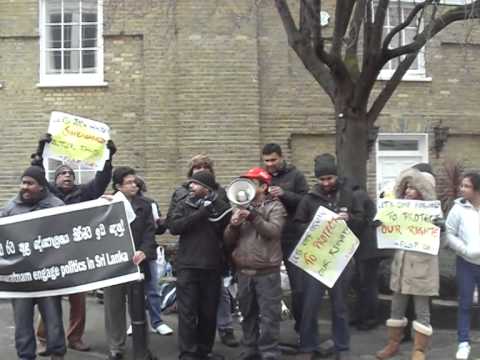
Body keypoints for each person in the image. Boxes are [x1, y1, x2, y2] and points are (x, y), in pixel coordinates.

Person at [31, 133, 116, 353]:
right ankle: (43, 338)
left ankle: (75, 337)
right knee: (50, 297)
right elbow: (36, 174)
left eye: (70, 173)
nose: (67, 176)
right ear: (55, 179)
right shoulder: (48, 194)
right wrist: (41, 150)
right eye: (62, 173)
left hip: (78, 254)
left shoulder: (84, 193)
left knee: (78, 299)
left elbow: (101, 180)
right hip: (53, 254)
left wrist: (108, 157)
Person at [294, 154, 363, 360]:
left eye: (329, 178)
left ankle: (342, 347)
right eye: (322, 180)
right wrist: (315, 226)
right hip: (315, 260)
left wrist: (349, 219)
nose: (326, 183)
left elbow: (362, 222)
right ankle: (308, 346)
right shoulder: (309, 199)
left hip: (340, 260)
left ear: (336, 176)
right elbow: (297, 224)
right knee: (310, 305)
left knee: (340, 306)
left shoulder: (349, 196)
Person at [166, 155, 239, 348]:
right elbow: (174, 226)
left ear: (206, 188)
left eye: (195, 185)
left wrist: (215, 203)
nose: (191, 187)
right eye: (191, 183)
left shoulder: (220, 203)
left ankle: (205, 350)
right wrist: (201, 214)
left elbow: (227, 227)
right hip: (188, 264)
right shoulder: (183, 203)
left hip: (212, 264)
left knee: (208, 312)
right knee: (188, 312)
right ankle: (188, 352)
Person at [0, 166, 66, 360]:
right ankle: (25, 356)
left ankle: (57, 353)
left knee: (53, 319)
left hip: (47, 276)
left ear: (41, 186)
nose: (24, 187)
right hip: (20, 277)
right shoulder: (10, 207)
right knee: (22, 322)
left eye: (30, 183)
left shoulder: (56, 206)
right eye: (23, 182)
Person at [376, 168, 440, 360]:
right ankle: (393, 344)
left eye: (413, 187)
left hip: (422, 270)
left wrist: (441, 228)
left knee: (422, 312)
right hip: (401, 269)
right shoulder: (398, 209)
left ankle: (419, 350)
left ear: (423, 189)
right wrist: (381, 226)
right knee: (396, 308)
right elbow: (390, 235)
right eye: (407, 187)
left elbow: (441, 243)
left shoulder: (433, 212)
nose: (408, 191)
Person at [224, 167, 287, 360]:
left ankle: (269, 352)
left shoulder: (275, 207)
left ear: (264, 186)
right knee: (247, 313)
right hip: (244, 271)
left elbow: (273, 231)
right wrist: (233, 225)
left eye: (253, 182)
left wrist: (252, 216)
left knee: (269, 316)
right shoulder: (239, 207)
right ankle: (250, 348)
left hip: (266, 271)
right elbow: (227, 240)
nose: (248, 185)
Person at [103, 166, 158, 360]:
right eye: (129, 182)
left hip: (137, 264)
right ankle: (116, 347)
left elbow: (150, 233)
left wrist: (144, 250)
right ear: (118, 186)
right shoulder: (107, 204)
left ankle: (143, 347)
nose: (134, 185)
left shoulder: (145, 205)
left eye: (135, 181)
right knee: (113, 307)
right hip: (114, 265)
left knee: (138, 308)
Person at [262, 143, 308, 333]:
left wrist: (285, 194)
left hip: (291, 237)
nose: (270, 164)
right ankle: (268, 331)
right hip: (268, 237)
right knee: (266, 287)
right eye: (266, 161)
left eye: (273, 160)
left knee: (299, 286)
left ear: (281, 157)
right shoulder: (261, 177)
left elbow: (306, 201)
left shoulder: (295, 175)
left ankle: (302, 328)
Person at [125, 176, 173, 336]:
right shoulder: (119, 203)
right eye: (131, 184)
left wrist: (160, 223)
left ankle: (157, 321)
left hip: (148, 251)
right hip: (129, 252)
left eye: (137, 185)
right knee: (132, 291)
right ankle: (135, 321)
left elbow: (156, 230)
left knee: (152, 288)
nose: (134, 187)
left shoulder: (149, 203)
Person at [445, 172, 480, 360]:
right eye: (462, 185)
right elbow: (449, 234)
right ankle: (463, 342)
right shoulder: (458, 208)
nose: (462, 189)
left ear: (477, 189)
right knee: (465, 303)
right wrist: (464, 250)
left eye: (467, 186)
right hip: (466, 263)